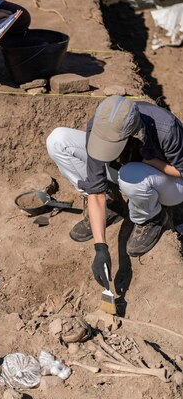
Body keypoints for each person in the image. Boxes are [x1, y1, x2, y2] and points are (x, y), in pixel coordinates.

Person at [46, 95, 183, 288]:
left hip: (171, 183)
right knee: (58, 140)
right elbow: (95, 192)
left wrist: (152, 162)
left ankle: (152, 217)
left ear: (132, 134)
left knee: (130, 175)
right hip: (130, 169)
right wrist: (101, 247)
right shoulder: (100, 125)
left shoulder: (166, 128)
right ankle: (112, 204)